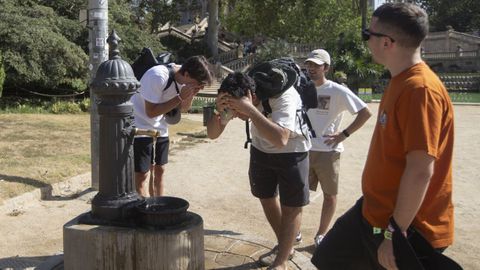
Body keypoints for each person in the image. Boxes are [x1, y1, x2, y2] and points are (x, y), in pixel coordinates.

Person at [312, 3, 455, 269]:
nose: (366, 42)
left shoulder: (420, 90)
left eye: (369, 35)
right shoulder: (400, 80)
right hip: (374, 211)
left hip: (406, 226)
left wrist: (394, 234)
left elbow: (421, 170)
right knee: (327, 258)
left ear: (387, 42)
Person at [207, 65, 311, 270]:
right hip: (261, 148)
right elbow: (212, 134)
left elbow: (281, 139)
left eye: (235, 107)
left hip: (292, 151)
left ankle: (281, 262)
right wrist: (219, 111)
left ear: (249, 95)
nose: (234, 113)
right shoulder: (237, 98)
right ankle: (285, 245)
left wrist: (250, 110)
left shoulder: (283, 96)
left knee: (291, 207)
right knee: (266, 197)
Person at [304, 49, 372, 247]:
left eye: (316, 65)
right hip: (304, 148)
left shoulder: (337, 90)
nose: (312, 69)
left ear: (326, 67)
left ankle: (321, 235)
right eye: (309, 65)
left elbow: (365, 112)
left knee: (329, 195)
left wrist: (344, 134)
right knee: (297, 194)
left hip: (328, 151)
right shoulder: (303, 88)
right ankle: (295, 232)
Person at [131, 55, 213, 197]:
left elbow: (183, 108)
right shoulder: (157, 76)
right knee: (142, 174)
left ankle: (160, 208)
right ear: (186, 74)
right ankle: (143, 211)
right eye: (197, 84)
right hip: (140, 124)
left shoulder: (186, 80)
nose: (198, 87)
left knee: (160, 170)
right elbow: (150, 112)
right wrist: (179, 97)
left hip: (160, 126)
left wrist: (191, 94)